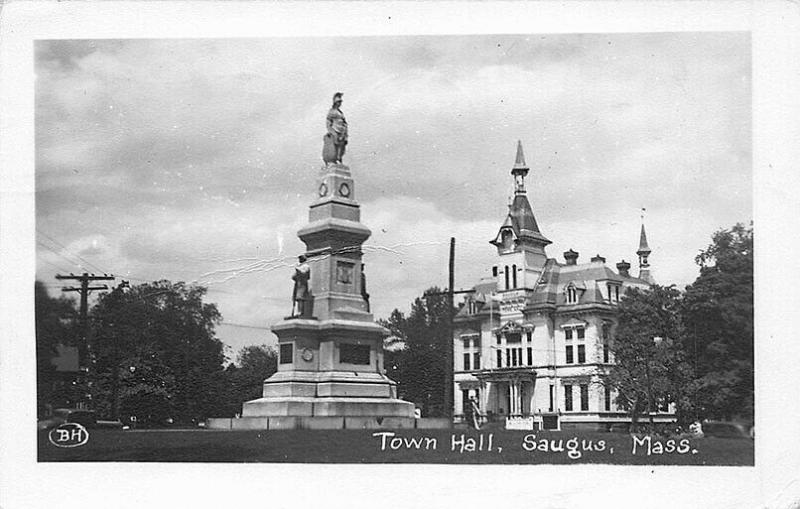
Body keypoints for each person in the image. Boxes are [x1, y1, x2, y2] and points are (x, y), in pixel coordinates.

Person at [323, 92, 348, 164]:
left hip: (342, 131)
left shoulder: (340, 113)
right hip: (335, 130)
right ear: (335, 102)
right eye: (338, 102)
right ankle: (334, 159)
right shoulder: (332, 111)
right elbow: (328, 122)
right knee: (335, 145)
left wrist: (346, 133)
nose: (339, 103)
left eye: (340, 102)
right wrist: (331, 131)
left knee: (342, 146)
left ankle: (339, 158)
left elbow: (344, 123)